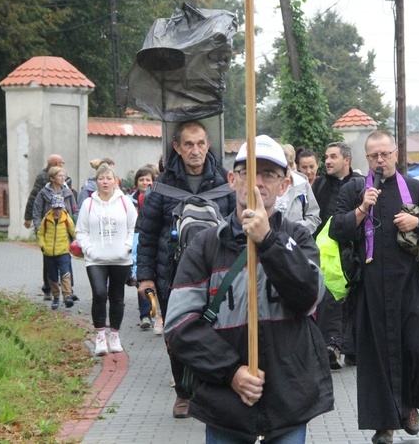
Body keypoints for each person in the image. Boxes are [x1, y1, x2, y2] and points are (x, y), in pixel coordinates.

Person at [164, 135, 333, 442]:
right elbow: (178, 325)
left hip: (287, 404)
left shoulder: (298, 237)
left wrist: (269, 242)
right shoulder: (206, 245)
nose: (257, 183)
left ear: (284, 185)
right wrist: (231, 373)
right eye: (248, 173)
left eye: (269, 174)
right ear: (232, 179)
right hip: (225, 407)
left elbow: (308, 298)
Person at [329, 130, 419, 444]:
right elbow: (337, 229)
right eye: (374, 156)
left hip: (411, 284)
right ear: (366, 159)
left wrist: (418, 224)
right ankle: (385, 425)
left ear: (396, 153)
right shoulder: (354, 189)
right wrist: (362, 209)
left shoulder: (416, 188)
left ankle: (409, 402)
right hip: (371, 287)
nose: (380, 161)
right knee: (377, 358)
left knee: (418, 347)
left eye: (385, 154)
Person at [136, 120, 235, 418]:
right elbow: (147, 234)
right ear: (177, 148)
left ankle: (210, 391)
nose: (196, 150)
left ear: (208, 145)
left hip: (216, 274)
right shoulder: (162, 188)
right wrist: (145, 277)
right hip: (172, 277)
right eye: (189, 144)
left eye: (201, 143)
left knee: (216, 332)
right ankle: (183, 393)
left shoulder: (223, 184)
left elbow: (236, 229)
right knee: (178, 334)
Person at [75, 163, 137, 356]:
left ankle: (115, 335)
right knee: (100, 294)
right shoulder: (89, 203)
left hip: (120, 258)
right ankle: (100, 337)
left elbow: (134, 227)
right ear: (96, 182)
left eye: (109, 178)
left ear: (115, 181)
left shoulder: (125, 202)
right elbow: (81, 231)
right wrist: (89, 249)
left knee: (117, 297)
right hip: (96, 259)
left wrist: (127, 247)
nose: (105, 182)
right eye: (101, 178)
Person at [312, 141, 363, 369]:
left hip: (353, 251)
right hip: (325, 254)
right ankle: (330, 346)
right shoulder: (320, 185)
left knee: (353, 299)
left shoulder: (359, 184)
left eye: (333, 157)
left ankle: (352, 348)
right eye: (326, 157)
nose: (328, 161)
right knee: (329, 298)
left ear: (347, 160)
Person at [25, 154, 68, 301]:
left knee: (65, 258)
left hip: (63, 227)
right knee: (49, 259)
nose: (63, 164)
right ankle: (48, 287)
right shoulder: (43, 178)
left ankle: (67, 290)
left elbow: (72, 205)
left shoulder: (66, 181)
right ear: (55, 164)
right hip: (47, 226)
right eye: (61, 162)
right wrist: (31, 220)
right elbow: (34, 198)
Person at [129, 166, 159, 331]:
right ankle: (145, 315)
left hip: (151, 237)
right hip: (136, 238)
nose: (145, 182)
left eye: (148, 180)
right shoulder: (129, 200)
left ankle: (157, 313)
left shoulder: (157, 198)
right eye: (142, 180)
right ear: (137, 182)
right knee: (141, 277)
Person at [37, 198, 76, 310]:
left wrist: (77, 245)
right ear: (51, 207)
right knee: (52, 277)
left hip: (63, 251)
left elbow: (73, 232)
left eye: (59, 208)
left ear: (63, 207)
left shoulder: (67, 219)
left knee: (65, 274)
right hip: (49, 253)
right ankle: (56, 297)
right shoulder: (46, 219)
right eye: (55, 208)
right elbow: (40, 234)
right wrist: (43, 245)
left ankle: (67, 296)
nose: (57, 210)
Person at [274, 143, 321, 234]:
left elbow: (314, 218)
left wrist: (294, 230)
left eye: (285, 168)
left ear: (292, 166)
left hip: (296, 243)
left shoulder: (302, 184)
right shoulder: (265, 184)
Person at [32, 166, 77, 231]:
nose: (63, 178)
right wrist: (39, 229)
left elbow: (74, 211)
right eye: (60, 176)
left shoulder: (68, 192)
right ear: (52, 178)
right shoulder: (43, 193)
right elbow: (36, 213)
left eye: (64, 176)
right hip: (48, 230)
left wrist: (73, 229)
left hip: (65, 231)